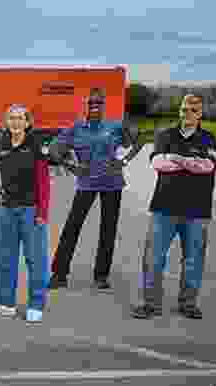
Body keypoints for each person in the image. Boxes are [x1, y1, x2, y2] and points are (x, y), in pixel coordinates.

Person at [130, 94, 216, 320]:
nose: (187, 113)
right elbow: (158, 163)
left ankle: (188, 303)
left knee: (193, 259)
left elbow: (207, 167)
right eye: (184, 109)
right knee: (153, 258)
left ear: (200, 114)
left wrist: (177, 158)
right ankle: (150, 304)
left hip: (197, 210)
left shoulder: (208, 138)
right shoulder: (165, 134)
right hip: (164, 207)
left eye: (192, 110)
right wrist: (190, 161)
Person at [48, 88, 142, 291]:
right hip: (86, 184)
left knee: (108, 230)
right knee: (72, 226)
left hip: (112, 184)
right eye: (91, 103)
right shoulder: (77, 128)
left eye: (99, 103)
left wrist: (124, 160)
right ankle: (59, 274)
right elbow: (54, 150)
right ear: (87, 106)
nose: (95, 107)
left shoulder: (114, 126)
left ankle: (101, 275)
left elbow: (139, 140)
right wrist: (71, 166)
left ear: (103, 106)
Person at [0, 105, 51, 322]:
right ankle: (5, 304)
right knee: (5, 258)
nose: (16, 122)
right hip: (7, 210)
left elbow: (43, 183)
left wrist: (42, 212)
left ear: (27, 122)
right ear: (7, 121)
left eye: (20, 118)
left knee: (35, 259)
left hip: (31, 210)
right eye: (12, 118)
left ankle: (36, 305)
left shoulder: (35, 146)